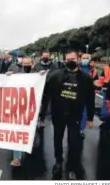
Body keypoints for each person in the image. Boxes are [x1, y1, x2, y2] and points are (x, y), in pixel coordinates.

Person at [40, 50, 95, 180]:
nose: (71, 61)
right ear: (65, 60)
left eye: (73, 59)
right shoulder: (55, 75)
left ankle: (72, 166)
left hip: (75, 115)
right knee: (57, 139)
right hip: (58, 114)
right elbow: (45, 94)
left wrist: (90, 118)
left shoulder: (85, 78)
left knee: (74, 142)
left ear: (78, 59)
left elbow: (90, 99)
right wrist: (42, 114)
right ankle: (58, 161)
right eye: (68, 59)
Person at [7, 57, 34, 167]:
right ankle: (17, 157)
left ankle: (29, 146)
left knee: (29, 130)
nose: (26, 65)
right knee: (18, 130)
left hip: (32, 108)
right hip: (19, 106)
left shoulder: (38, 75)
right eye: (24, 63)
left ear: (32, 64)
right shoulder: (17, 75)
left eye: (28, 63)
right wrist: (8, 77)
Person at [35, 51, 58, 128]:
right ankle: (36, 119)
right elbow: (33, 74)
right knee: (37, 104)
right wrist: (38, 74)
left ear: (49, 57)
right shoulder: (37, 65)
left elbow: (56, 75)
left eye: (47, 56)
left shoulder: (54, 66)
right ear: (41, 56)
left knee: (45, 104)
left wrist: (48, 75)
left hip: (49, 88)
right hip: (38, 88)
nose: (45, 57)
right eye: (44, 56)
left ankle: (42, 119)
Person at [79, 54, 98, 138]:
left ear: (90, 60)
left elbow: (96, 81)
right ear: (80, 59)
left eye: (87, 58)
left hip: (88, 94)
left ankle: (81, 129)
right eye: (83, 58)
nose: (85, 59)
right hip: (76, 93)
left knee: (84, 112)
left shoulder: (93, 70)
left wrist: (96, 87)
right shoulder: (76, 67)